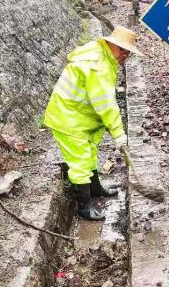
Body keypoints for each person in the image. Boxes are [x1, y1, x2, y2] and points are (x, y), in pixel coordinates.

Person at [42, 25, 141, 220]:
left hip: (79, 115)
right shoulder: (99, 65)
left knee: (90, 154)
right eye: (123, 50)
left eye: (128, 52)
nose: (125, 55)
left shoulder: (100, 53)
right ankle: (84, 207)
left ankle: (95, 188)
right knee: (80, 162)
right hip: (68, 118)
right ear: (111, 44)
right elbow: (106, 104)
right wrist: (118, 134)